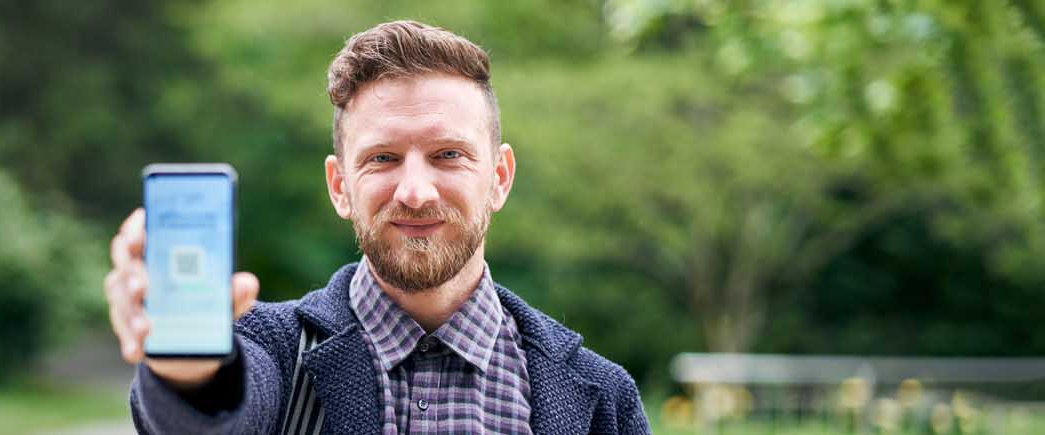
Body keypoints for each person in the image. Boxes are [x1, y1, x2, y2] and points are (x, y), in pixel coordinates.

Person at [103, 20, 650, 434]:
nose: (415, 191)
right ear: (339, 185)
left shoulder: (601, 396)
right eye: (383, 159)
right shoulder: (266, 348)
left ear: (500, 177)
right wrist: (189, 372)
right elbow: (217, 413)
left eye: (449, 154)